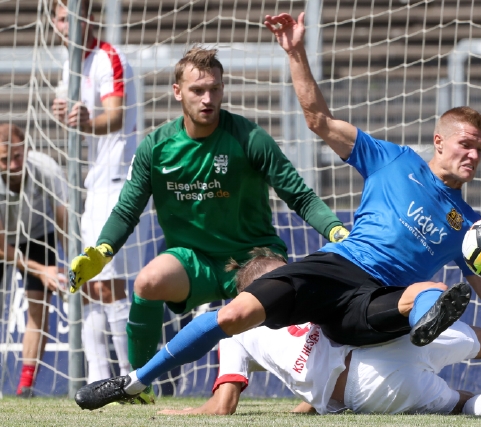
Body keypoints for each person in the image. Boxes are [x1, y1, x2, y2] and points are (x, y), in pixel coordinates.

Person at [71, 12, 481, 409]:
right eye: (465, 144)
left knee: (423, 298)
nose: (473, 155)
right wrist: (296, 52)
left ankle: (419, 322)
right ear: (439, 141)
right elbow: (318, 119)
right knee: (232, 314)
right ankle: (133, 381)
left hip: (377, 303)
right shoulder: (392, 159)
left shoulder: (472, 230)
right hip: (336, 267)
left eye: (480, 149)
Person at [66, 41, 350, 403]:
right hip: (194, 261)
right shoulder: (156, 147)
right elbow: (126, 211)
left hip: (252, 255)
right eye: (197, 90)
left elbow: (300, 196)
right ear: (177, 92)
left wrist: (335, 229)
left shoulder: (250, 138)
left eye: (215, 89)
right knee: (148, 281)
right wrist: (103, 250)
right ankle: (140, 386)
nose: (207, 99)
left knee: (283, 293)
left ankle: (327, 382)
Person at [158, 254, 481, 417]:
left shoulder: (236, 330)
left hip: (366, 384)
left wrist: (181, 411)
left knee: (457, 403)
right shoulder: (313, 288)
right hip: (389, 337)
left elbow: (224, 404)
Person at [51, 0, 151, 386]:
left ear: (89, 18)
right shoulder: (70, 65)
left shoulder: (109, 57)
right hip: (94, 183)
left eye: (73, 16)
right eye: (61, 18)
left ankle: (130, 379)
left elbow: (115, 116)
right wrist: (65, 113)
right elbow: (78, 114)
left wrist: (86, 121)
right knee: (86, 281)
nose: (67, 25)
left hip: (120, 182)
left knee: (110, 282)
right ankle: (97, 378)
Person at [0, 123, 67, 397]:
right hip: (3, 241)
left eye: (18, 156)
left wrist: (73, 264)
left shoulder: (46, 168)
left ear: (26, 149)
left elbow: (63, 222)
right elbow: (2, 248)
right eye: (5, 159)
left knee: (38, 309)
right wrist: (42, 271)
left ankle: (25, 387)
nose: (13, 165)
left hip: (39, 234)